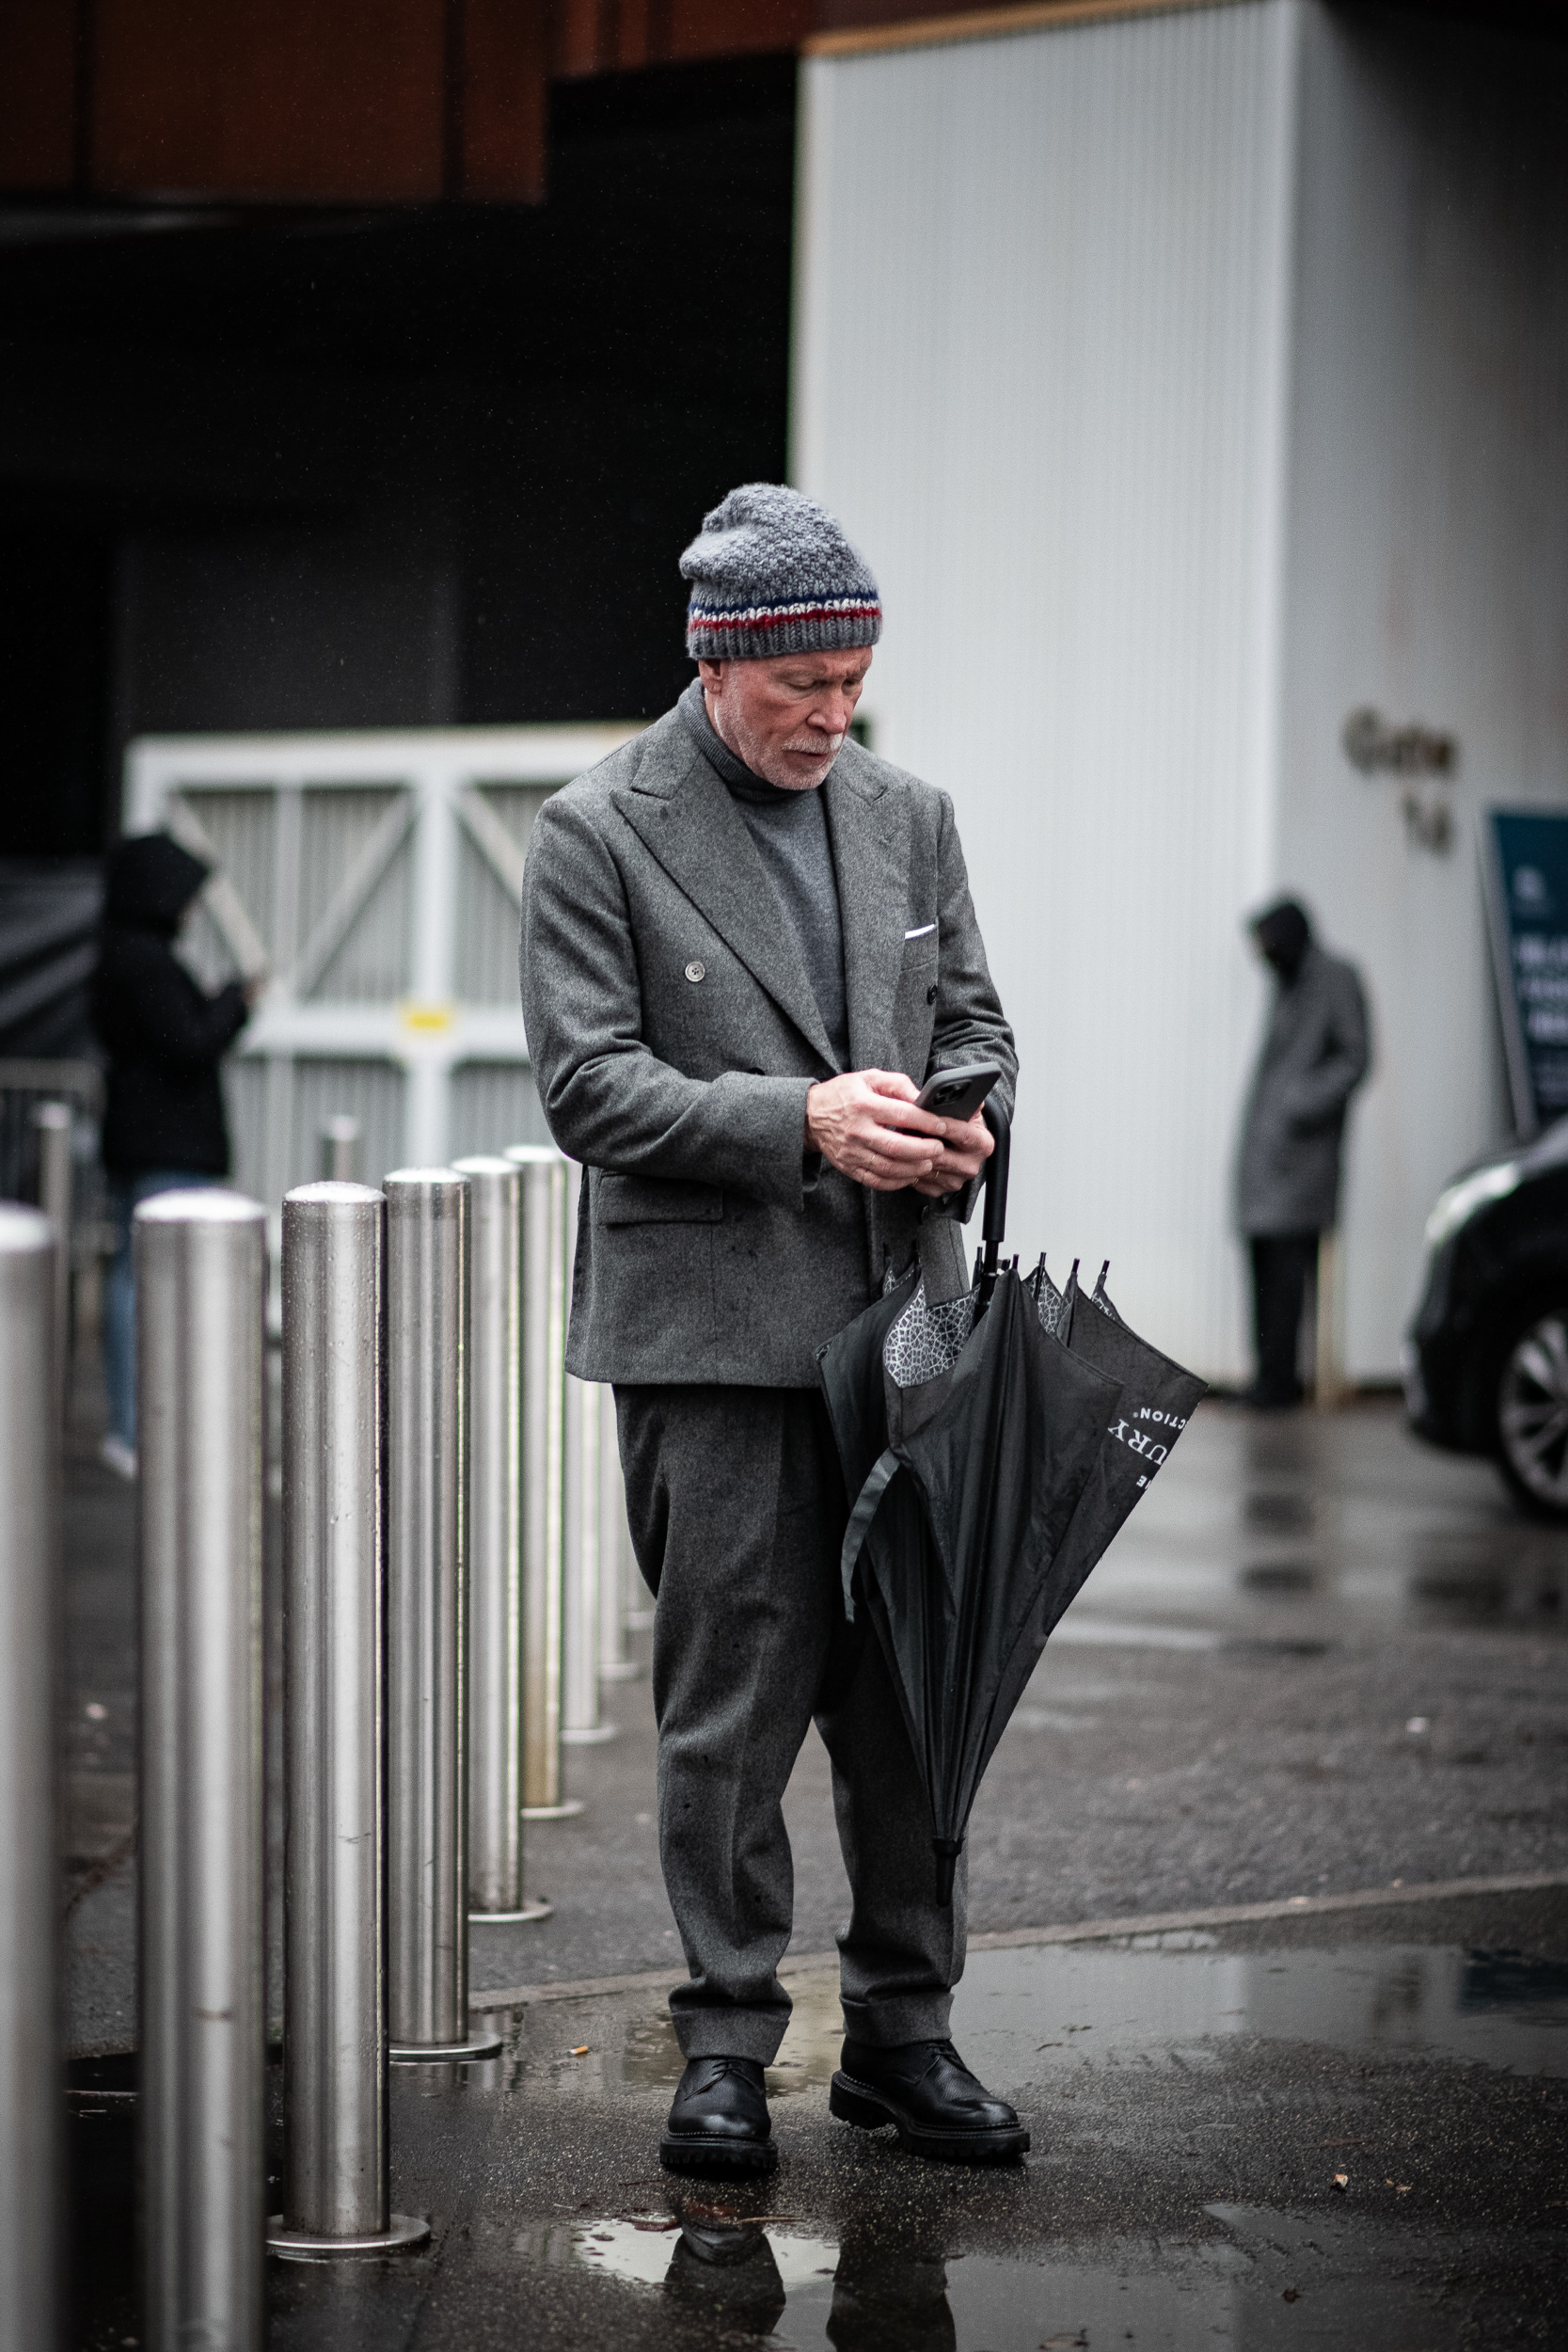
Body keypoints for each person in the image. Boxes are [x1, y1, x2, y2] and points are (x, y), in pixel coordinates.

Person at [521, 483, 1023, 2175]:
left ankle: (904, 2035)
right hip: (711, 1345)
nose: (831, 712)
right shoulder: (595, 828)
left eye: (852, 678)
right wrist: (799, 1119)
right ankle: (727, 2043)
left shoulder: (910, 813)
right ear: (713, 660)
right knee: (730, 1711)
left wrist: (968, 1123)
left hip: (903, 1332)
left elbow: (974, 1024)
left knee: (908, 1704)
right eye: (800, 681)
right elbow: (589, 1084)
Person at [92, 833, 253, 1476]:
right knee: (155, 1282)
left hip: (138, 1140)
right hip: (166, 1144)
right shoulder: (147, 961)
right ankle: (142, 1428)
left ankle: (138, 1425)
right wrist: (233, 1003)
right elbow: (186, 1042)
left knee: (134, 1276)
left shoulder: (116, 955)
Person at [1236, 897, 1370, 1409]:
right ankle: (1270, 1377)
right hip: (1267, 1160)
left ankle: (1280, 1383)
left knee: (1290, 1273)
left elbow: (1356, 1057)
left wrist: (1299, 1104)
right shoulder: (1285, 984)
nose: (1265, 958)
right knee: (1263, 1269)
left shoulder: (1337, 978)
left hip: (1304, 1162)